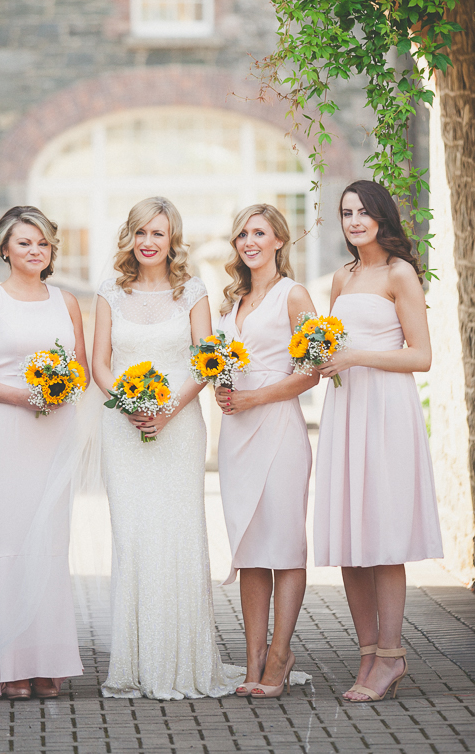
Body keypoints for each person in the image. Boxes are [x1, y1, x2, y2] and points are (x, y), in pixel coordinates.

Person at [91, 196, 244, 699]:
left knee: (178, 536)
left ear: (172, 238)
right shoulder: (110, 292)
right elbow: (99, 363)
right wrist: (127, 402)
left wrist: (167, 410)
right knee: (133, 538)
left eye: (158, 233)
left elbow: (205, 360)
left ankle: (183, 661)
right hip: (124, 425)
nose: (149, 242)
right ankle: (135, 663)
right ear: (129, 238)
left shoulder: (193, 291)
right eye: (141, 233)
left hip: (179, 427)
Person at [314, 180, 443, 703]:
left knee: (384, 537)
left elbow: (422, 356)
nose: (355, 221)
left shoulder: (399, 274)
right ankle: (368, 653)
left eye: (364, 212)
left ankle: (391, 656)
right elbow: (329, 344)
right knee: (350, 536)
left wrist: (355, 356)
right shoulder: (342, 277)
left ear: (382, 218)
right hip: (346, 409)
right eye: (347, 213)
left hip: (386, 410)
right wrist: (320, 360)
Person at [0, 206, 89, 702]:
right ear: (5, 248)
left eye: (43, 244)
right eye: (25, 242)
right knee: (10, 545)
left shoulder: (67, 302)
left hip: (55, 432)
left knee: (50, 545)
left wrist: (61, 387)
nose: (35, 251)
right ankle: (9, 663)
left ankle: (48, 661)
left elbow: (82, 371)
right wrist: (22, 395)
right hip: (6, 431)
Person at [216, 204, 318, 700]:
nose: (249, 242)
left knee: (283, 544)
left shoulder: (293, 296)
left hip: (278, 428)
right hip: (236, 433)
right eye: (242, 235)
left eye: (259, 233)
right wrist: (224, 387)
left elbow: (312, 370)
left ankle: (280, 655)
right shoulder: (231, 301)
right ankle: (253, 658)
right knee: (250, 547)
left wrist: (256, 395)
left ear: (279, 239)